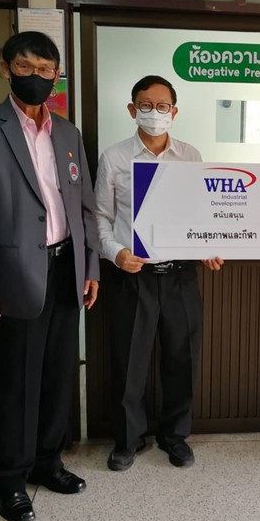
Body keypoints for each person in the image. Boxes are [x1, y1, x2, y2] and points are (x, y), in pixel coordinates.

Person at [0, 31, 100, 521]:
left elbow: (84, 207)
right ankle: (9, 477)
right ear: (5, 68)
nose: (36, 76)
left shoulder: (68, 133)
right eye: (25, 67)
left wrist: (90, 266)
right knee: (14, 381)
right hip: (11, 277)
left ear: (57, 76)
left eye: (45, 70)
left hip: (65, 269)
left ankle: (46, 461)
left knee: (57, 374)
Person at [95, 75, 222, 472]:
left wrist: (208, 246)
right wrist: (116, 253)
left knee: (182, 359)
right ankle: (128, 440)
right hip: (134, 276)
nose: (154, 112)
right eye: (146, 105)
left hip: (182, 276)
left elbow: (202, 212)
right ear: (132, 109)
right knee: (129, 362)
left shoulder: (190, 155)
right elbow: (99, 217)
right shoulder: (114, 157)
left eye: (162, 106)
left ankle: (175, 436)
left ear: (174, 111)